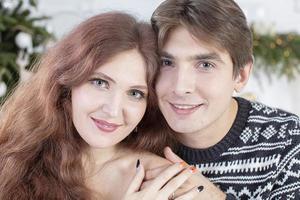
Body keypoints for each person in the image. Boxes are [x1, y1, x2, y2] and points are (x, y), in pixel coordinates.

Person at [0, 12, 202, 200]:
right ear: (67, 84)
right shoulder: (13, 154)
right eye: (100, 83)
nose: (113, 110)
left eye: (135, 93)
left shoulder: (161, 182)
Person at [150, 0, 300, 199]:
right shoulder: (129, 131)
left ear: (241, 75)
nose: (181, 87)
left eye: (205, 65)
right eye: (166, 62)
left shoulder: (288, 141)